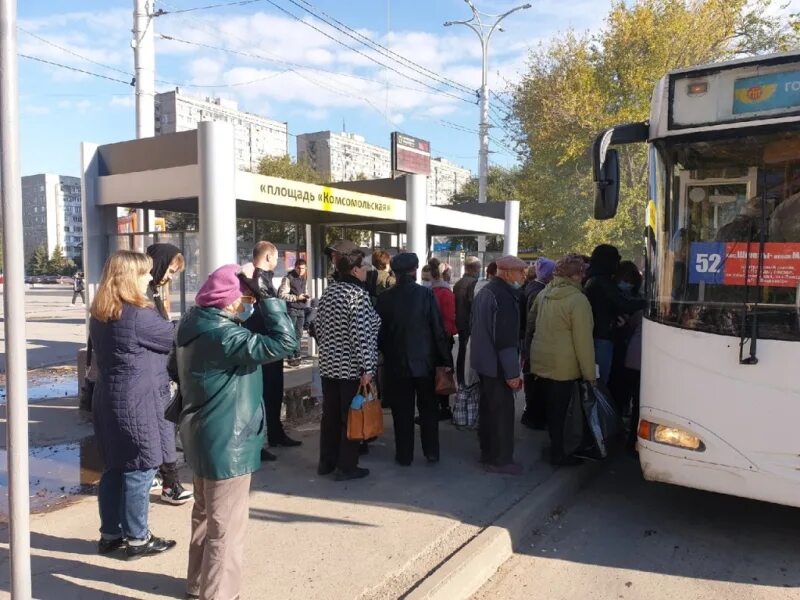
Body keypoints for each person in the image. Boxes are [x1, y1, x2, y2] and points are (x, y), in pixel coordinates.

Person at [176, 263, 297, 600]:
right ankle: (219, 594)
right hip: (226, 440)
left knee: (205, 518)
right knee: (226, 528)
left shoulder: (194, 324)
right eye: (245, 297)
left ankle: (198, 585)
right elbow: (285, 342)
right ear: (228, 301)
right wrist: (271, 300)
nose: (249, 303)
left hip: (203, 434)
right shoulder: (226, 336)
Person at [89, 250, 176, 559]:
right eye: (145, 273)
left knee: (114, 467)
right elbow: (173, 337)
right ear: (129, 278)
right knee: (141, 466)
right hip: (136, 400)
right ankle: (138, 539)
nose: (151, 278)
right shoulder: (139, 315)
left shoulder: (102, 312)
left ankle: (110, 535)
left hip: (108, 398)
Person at [377, 253, 453, 465]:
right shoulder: (426, 295)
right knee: (428, 409)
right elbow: (438, 330)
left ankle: (404, 455)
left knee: (402, 411)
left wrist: (388, 353)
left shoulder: (384, 298)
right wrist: (445, 360)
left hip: (396, 364)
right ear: (414, 270)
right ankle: (431, 452)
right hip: (425, 363)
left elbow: (379, 334)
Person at [315, 248, 380, 481]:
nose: (366, 272)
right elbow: (360, 335)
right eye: (363, 268)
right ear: (354, 270)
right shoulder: (357, 296)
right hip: (351, 368)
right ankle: (347, 466)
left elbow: (318, 329)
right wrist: (368, 368)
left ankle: (326, 462)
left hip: (328, 365)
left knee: (329, 416)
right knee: (350, 417)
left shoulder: (329, 293)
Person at [528, 254, 596, 466]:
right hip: (564, 366)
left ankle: (555, 447)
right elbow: (583, 341)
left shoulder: (545, 293)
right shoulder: (578, 300)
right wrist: (589, 375)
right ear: (577, 275)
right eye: (582, 272)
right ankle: (559, 454)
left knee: (552, 410)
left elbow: (531, 321)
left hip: (542, 361)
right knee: (562, 412)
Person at [470, 255, 527, 475]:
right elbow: (505, 339)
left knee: (488, 411)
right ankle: (500, 459)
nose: (523, 275)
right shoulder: (503, 296)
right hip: (497, 365)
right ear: (506, 273)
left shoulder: (486, 291)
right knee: (501, 415)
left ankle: (488, 453)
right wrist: (512, 372)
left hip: (484, 362)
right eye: (519, 271)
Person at [145, 243, 193, 505]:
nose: (170, 277)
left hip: (156, 373)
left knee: (161, 428)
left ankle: (161, 477)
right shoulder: (143, 294)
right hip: (152, 375)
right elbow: (160, 333)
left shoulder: (151, 292)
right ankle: (170, 483)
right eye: (170, 271)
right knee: (163, 428)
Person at [245, 241, 302, 460]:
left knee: (275, 390)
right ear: (268, 257)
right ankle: (259, 443)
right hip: (262, 344)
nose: (277, 262)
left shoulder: (262, 279)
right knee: (261, 395)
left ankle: (276, 433)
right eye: (276, 257)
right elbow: (265, 312)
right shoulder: (256, 280)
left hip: (270, 342)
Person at [584, 245, 646, 386]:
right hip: (603, 337)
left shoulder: (593, 279)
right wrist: (652, 302)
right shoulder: (602, 281)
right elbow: (624, 303)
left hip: (599, 334)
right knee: (601, 382)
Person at [520, 257, 555, 430]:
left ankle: (531, 414)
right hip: (533, 342)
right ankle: (532, 416)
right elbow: (533, 321)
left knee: (531, 380)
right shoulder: (539, 292)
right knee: (534, 382)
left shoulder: (531, 287)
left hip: (528, 342)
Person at [428, 257, 457, 420]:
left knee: (434, 371)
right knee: (444, 369)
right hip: (444, 336)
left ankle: (439, 406)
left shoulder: (430, 291)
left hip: (432, 336)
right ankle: (444, 405)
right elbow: (450, 317)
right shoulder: (446, 292)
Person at [453, 256, 481, 386]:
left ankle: (460, 378)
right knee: (466, 354)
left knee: (462, 352)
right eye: (479, 267)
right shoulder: (473, 284)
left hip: (460, 321)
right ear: (474, 268)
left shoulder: (458, 283)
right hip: (469, 323)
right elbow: (473, 304)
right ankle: (465, 381)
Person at [278, 258, 310, 367]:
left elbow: (304, 291)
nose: (301, 270)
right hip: (291, 309)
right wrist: (296, 297)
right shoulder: (288, 278)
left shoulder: (303, 278)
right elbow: (281, 295)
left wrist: (306, 296)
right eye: (299, 268)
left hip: (301, 309)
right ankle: (290, 357)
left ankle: (297, 356)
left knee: (299, 334)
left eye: (303, 268)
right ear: (295, 267)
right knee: (291, 334)